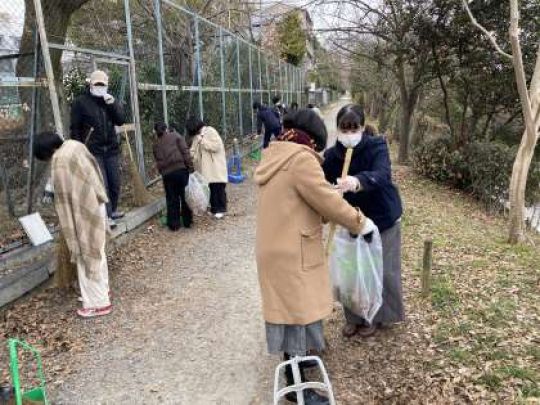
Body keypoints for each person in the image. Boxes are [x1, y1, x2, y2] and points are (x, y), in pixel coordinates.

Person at [254, 109, 375, 405]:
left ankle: (299, 364)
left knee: (289, 310)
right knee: (296, 313)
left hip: (275, 246)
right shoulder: (301, 159)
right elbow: (325, 201)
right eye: (318, 145)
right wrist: (360, 221)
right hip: (292, 250)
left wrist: (325, 197)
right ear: (312, 139)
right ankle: (298, 389)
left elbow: (301, 200)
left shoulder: (276, 153)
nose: (317, 150)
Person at [322, 104, 404, 338]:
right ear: (337, 129)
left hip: (382, 217)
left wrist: (358, 181)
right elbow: (320, 179)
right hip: (351, 219)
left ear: (361, 127)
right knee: (352, 269)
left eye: (353, 128)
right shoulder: (332, 155)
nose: (349, 134)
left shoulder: (377, 146)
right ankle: (354, 317)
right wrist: (329, 190)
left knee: (381, 269)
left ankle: (378, 317)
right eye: (344, 129)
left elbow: (382, 174)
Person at [33, 132, 112, 318]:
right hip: (96, 203)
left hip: (83, 211)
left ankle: (97, 304)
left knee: (87, 253)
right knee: (98, 251)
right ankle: (102, 292)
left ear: (49, 150)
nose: (47, 161)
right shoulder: (73, 145)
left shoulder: (60, 159)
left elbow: (65, 197)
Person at [70, 70, 125, 227]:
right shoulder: (80, 102)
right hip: (93, 150)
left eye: (103, 85)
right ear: (91, 85)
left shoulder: (108, 101)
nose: (100, 87)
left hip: (112, 149)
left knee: (115, 183)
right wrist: (80, 150)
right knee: (102, 185)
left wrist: (113, 104)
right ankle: (106, 217)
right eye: (97, 84)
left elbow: (120, 121)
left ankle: (113, 210)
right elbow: (75, 128)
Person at [152, 122, 194, 231]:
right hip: (180, 170)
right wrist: (190, 167)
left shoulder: (155, 144)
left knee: (171, 198)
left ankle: (174, 224)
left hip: (167, 175)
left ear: (156, 132)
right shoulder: (176, 136)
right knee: (185, 196)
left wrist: (163, 172)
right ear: (166, 129)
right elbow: (185, 151)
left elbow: (158, 160)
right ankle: (187, 221)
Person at [187, 116, 228, 219]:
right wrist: (190, 155)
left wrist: (203, 142)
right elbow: (193, 150)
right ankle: (214, 209)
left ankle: (221, 209)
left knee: (218, 187)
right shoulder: (197, 137)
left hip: (215, 167)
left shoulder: (211, 131)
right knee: (210, 188)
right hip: (204, 169)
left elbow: (216, 146)